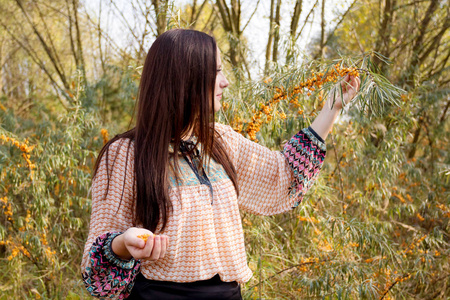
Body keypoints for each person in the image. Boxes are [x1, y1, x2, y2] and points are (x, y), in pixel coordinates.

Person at [81, 29, 360, 300]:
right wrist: (122, 245)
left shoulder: (220, 140)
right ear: (185, 78)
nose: (224, 82)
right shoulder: (124, 154)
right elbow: (96, 274)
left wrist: (331, 109)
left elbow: (283, 176)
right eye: (216, 72)